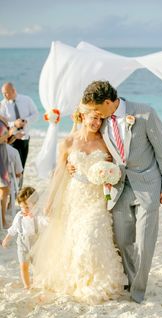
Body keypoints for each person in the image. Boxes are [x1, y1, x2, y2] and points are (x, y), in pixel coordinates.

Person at [68, 80, 162, 303]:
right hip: (119, 186)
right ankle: (130, 278)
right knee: (123, 238)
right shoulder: (103, 121)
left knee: (145, 240)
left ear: (108, 102)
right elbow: (90, 144)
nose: (96, 115)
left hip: (148, 185)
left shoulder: (145, 114)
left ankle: (138, 291)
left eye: (98, 109)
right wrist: (73, 164)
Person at [32, 103, 126, 304]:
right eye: (93, 117)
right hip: (74, 197)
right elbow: (59, 172)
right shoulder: (67, 142)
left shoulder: (105, 141)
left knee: (92, 235)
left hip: (97, 199)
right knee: (75, 238)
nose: (96, 122)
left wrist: (109, 171)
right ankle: (78, 279)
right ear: (82, 116)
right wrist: (49, 201)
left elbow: (117, 165)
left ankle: (97, 280)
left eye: (100, 119)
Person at [1, 187, 48, 289]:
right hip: (22, 244)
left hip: (36, 244)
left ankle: (37, 283)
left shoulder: (38, 215)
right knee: (23, 266)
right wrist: (6, 239)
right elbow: (13, 229)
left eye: (27, 207)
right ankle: (27, 285)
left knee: (37, 267)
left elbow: (46, 223)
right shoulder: (19, 216)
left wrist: (39, 216)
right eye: (22, 207)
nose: (24, 210)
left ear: (35, 204)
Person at [0, 82, 39, 174]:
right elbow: (2, 123)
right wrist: (15, 123)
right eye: (3, 93)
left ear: (13, 91)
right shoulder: (3, 105)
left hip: (25, 138)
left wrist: (26, 121)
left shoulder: (26, 100)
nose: (4, 95)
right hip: (11, 140)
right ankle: (13, 187)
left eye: (6, 92)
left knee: (21, 169)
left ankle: (19, 187)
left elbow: (35, 114)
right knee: (12, 169)